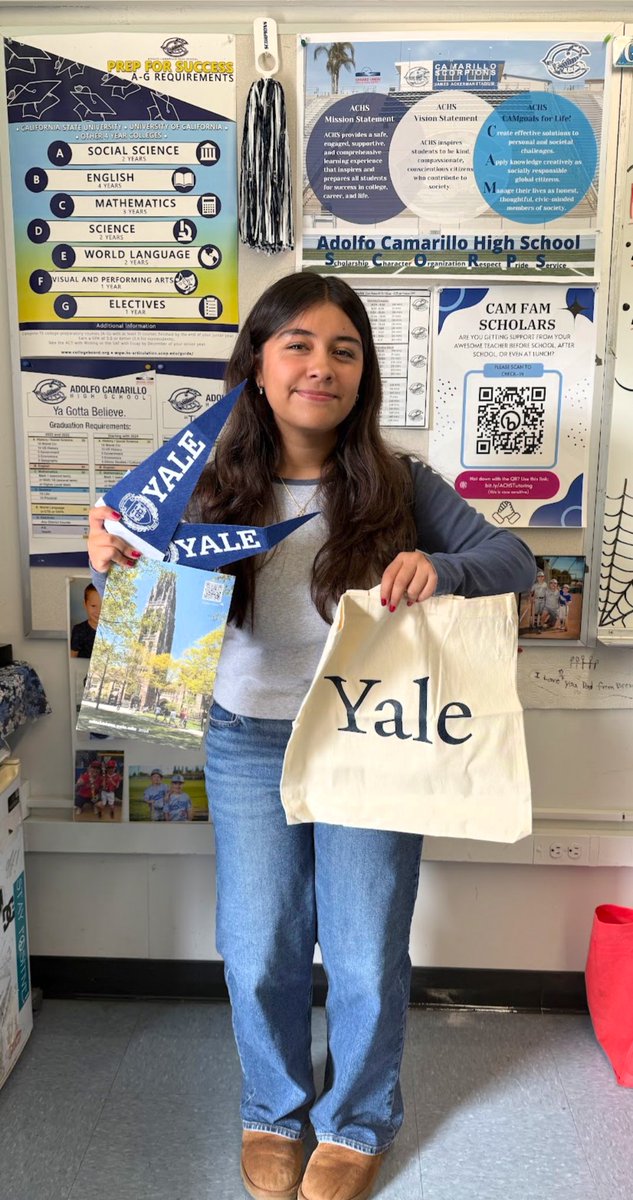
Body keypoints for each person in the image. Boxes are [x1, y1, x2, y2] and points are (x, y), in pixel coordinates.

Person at [87, 272, 536, 1200]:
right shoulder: (204, 481)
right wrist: (118, 563)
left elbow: (513, 559)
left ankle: (358, 1120)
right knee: (259, 946)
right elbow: (142, 620)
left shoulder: (398, 481)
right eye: (297, 344)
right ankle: (272, 1111)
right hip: (246, 738)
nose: (319, 366)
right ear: (257, 362)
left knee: (366, 947)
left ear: (362, 373)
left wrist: (440, 565)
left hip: (368, 742)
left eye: (343, 349)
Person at [70, 583, 101, 658]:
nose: (99, 611)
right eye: (93, 606)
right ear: (85, 604)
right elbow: (72, 657)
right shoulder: (78, 630)